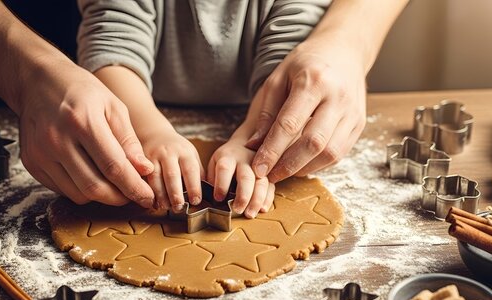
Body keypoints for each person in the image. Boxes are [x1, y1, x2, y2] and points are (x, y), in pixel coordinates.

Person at [0, 0, 408, 217]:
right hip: (43, 116)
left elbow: (293, 39)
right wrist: (147, 129)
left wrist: (343, 43)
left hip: (254, 105)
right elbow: (116, 25)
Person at [78, 0, 408, 217]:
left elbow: (290, 60)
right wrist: (149, 130)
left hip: (258, 108)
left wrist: (258, 141)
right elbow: (112, 42)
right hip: (140, 103)